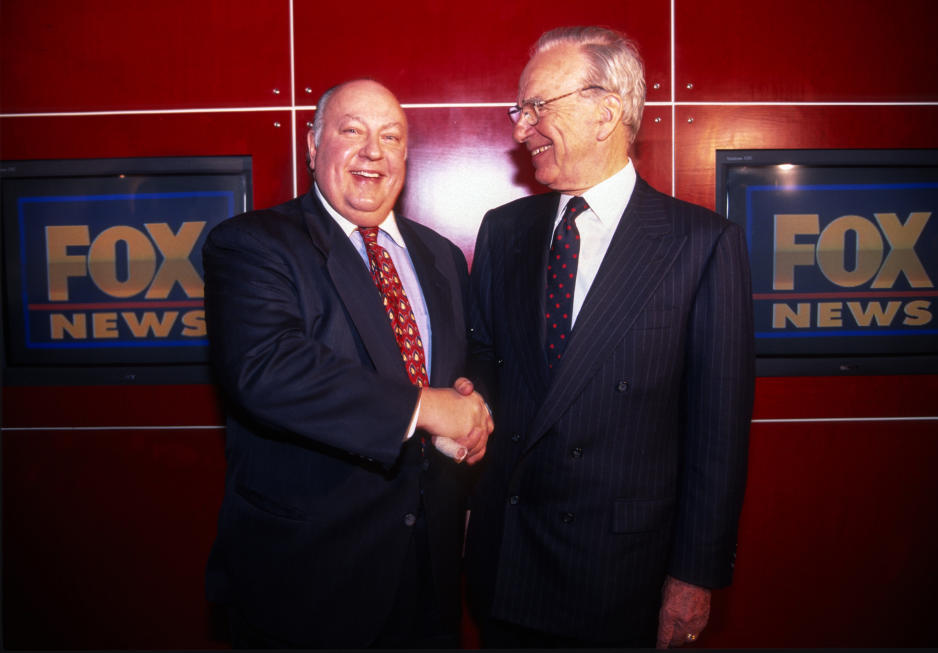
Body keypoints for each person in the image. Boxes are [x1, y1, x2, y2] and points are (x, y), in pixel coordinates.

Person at [465, 26, 754, 648]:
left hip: (623, 576)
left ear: (607, 112)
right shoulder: (503, 230)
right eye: (520, 110)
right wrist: (469, 401)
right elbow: (487, 358)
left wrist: (694, 577)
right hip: (507, 559)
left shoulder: (701, 245)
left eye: (539, 107)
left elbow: (718, 433)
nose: (521, 129)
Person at [203, 79, 493, 649]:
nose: (373, 151)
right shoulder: (253, 244)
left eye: (391, 136)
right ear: (312, 145)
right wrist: (427, 408)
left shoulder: (440, 256)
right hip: (308, 582)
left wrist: (467, 403)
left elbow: (463, 363)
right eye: (351, 131)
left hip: (428, 577)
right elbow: (267, 368)